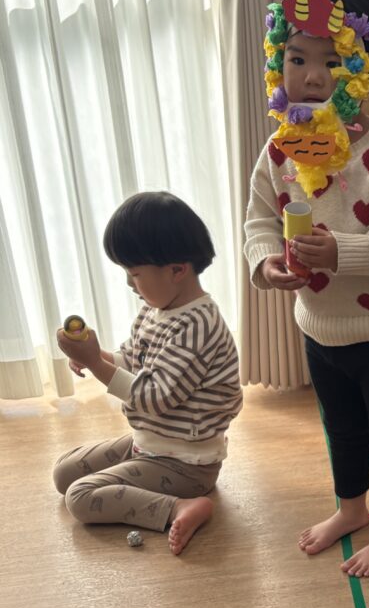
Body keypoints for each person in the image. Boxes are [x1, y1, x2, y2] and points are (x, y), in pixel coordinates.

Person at [243, 0, 369, 577]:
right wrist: (265, 261)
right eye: (297, 58)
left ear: (362, 72)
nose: (311, 76)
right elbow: (258, 218)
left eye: (331, 61)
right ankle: (352, 509)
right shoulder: (280, 148)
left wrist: (341, 253)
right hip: (318, 326)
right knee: (341, 430)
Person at [53, 191, 241, 555]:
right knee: (63, 472)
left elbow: (154, 397)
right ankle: (157, 485)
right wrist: (94, 355)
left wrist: (95, 363)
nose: (129, 283)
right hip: (152, 441)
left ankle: (181, 507)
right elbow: (131, 361)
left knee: (80, 497)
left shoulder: (198, 326)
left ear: (177, 269)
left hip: (186, 465)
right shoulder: (156, 310)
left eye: (134, 273)